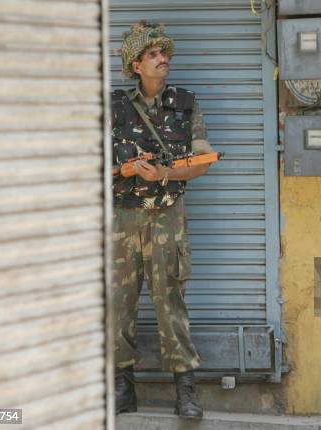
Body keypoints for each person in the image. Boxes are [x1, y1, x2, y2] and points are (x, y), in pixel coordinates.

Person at [111, 21, 213, 419]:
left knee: (170, 301)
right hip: (123, 217)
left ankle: (185, 390)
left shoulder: (185, 103)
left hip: (168, 215)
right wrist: (127, 170)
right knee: (120, 305)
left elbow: (203, 161)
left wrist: (165, 174)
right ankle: (123, 387)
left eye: (164, 52)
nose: (163, 58)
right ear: (136, 65)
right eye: (153, 54)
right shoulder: (114, 108)